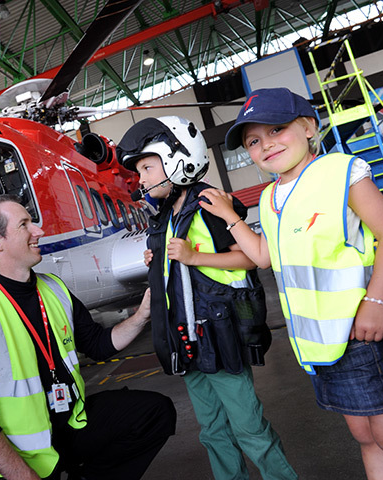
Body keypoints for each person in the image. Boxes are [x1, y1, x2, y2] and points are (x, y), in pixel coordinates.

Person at [200, 87, 383, 479]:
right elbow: (264, 256)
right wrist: (230, 216)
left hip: (364, 330)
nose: (266, 144)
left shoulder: (341, 171)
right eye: (253, 141)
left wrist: (376, 303)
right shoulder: (271, 197)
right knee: (365, 436)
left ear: (308, 126)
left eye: (276, 130)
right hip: (321, 344)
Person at [0, 194, 176, 480]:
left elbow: (97, 345)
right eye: (24, 224)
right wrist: (23, 476)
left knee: (154, 413)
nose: (39, 230)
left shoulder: (53, 288)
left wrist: (141, 315)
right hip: (25, 453)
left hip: (70, 423)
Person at [116, 116, 297, 480]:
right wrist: (160, 261)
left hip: (221, 338)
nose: (143, 178)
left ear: (177, 160)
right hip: (188, 343)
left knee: (250, 430)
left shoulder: (210, 204)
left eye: (148, 167)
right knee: (212, 432)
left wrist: (194, 257)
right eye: (140, 171)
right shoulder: (166, 215)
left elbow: (250, 258)